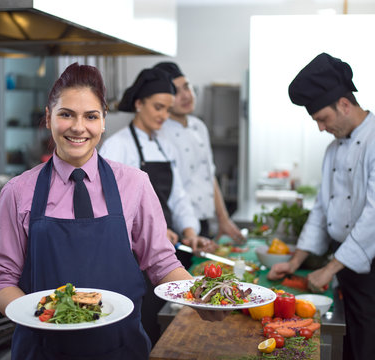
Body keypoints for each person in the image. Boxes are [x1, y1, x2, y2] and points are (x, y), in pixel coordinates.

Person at [0, 62, 211, 360]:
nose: (78, 127)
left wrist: (200, 298)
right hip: (41, 350)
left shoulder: (135, 184)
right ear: (48, 117)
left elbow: (161, 262)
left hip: (120, 348)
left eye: (90, 116)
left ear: (103, 120)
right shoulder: (17, 191)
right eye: (66, 114)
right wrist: (40, 316)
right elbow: (3, 280)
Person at [267, 52, 375, 360]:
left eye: (322, 119)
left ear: (343, 104)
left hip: (370, 266)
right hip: (347, 264)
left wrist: (329, 268)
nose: (320, 128)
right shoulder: (332, 150)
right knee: (352, 340)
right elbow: (321, 210)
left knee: (368, 343)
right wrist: (295, 261)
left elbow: (373, 218)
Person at [99, 67, 215, 345]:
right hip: (132, 256)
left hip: (165, 251)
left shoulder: (166, 146)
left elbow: (178, 197)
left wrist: (189, 230)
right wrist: (153, 232)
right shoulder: (117, 147)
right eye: (158, 107)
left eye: (167, 109)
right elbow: (109, 210)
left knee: (171, 323)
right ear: (139, 104)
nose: (164, 115)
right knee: (143, 322)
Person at [154, 62, 244, 242]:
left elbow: (209, 175)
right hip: (175, 226)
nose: (186, 95)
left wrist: (223, 219)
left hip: (203, 223)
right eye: (176, 91)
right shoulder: (159, 132)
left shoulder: (199, 126)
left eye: (187, 86)